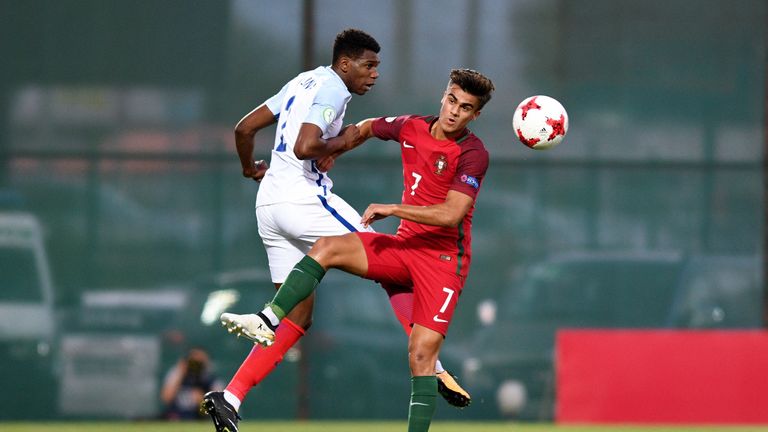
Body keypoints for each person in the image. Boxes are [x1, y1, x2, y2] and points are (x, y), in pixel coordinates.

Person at [201, 29, 470, 432]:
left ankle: (231, 396)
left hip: (269, 205)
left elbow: (244, 129)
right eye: (368, 65)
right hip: (304, 202)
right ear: (345, 64)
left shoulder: (303, 80)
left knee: (299, 315)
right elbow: (305, 147)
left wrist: (248, 168)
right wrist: (337, 143)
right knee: (396, 260)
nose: (374, 74)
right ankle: (434, 364)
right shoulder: (333, 89)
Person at [161, 347, 223, 420]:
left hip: (198, 419)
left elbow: (219, 406)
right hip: (176, 416)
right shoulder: (177, 375)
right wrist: (181, 371)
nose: (195, 366)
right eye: (193, 362)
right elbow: (166, 398)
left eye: (199, 362)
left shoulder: (211, 379)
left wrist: (202, 401)